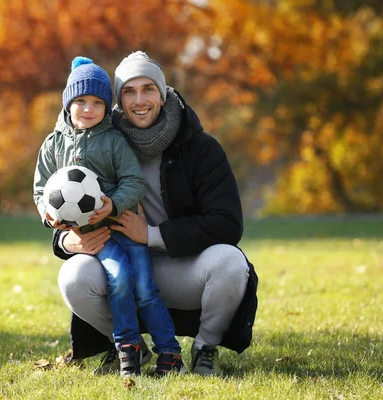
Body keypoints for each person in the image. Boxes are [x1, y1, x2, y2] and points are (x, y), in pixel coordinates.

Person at [53, 51, 259, 377]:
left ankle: (205, 348)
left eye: (148, 89)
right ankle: (130, 349)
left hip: (182, 267)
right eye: (129, 91)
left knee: (231, 263)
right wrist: (67, 241)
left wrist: (151, 235)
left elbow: (228, 224)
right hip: (122, 264)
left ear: (162, 95)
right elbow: (67, 202)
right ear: (118, 100)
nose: (139, 100)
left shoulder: (201, 149)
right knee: (73, 276)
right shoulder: (98, 143)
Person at [33, 56, 185, 376]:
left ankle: (170, 353)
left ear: (107, 107)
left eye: (98, 102)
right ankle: (128, 348)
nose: (88, 109)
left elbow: (134, 181)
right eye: (81, 101)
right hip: (96, 237)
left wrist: (112, 204)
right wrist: (50, 216)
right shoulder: (52, 145)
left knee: (145, 287)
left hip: (123, 226)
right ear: (68, 102)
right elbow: (41, 191)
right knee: (120, 279)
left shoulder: (114, 140)